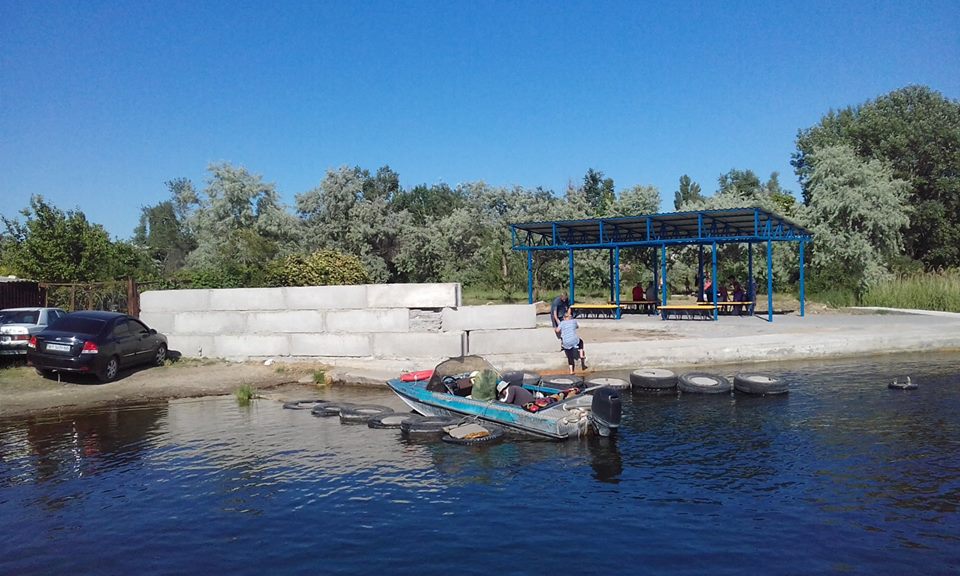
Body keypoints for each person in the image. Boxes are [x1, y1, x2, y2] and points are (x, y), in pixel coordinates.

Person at [555, 309, 587, 374]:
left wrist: (555, 329)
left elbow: (557, 330)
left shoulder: (562, 323)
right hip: (574, 339)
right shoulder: (574, 321)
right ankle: (581, 354)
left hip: (566, 342)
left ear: (564, 318)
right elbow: (577, 327)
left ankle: (571, 371)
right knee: (581, 342)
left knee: (570, 356)